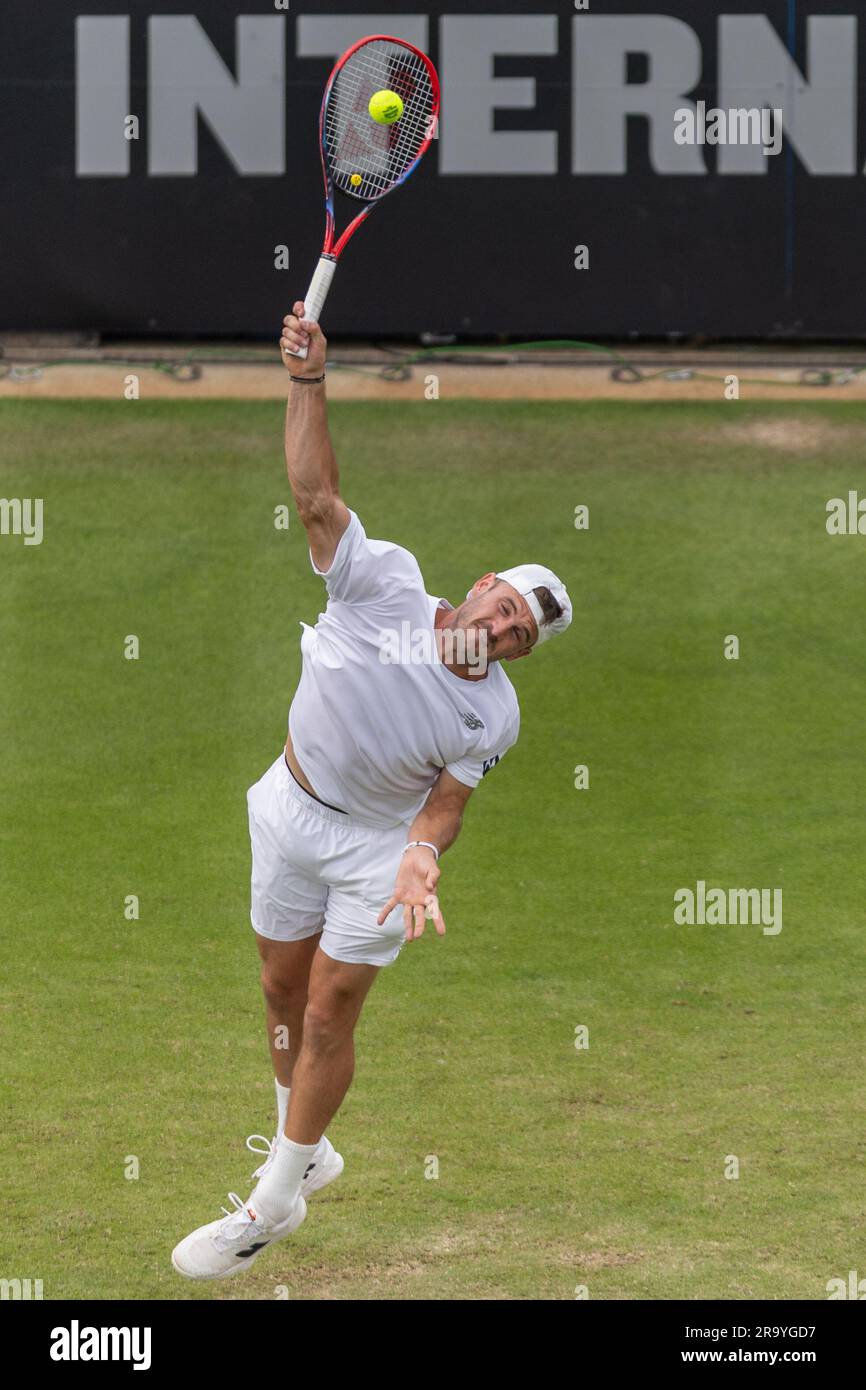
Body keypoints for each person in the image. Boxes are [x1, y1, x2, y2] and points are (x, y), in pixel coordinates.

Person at [171, 303, 572, 1279]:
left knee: (324, 1009)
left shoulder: (493, 717)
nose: (508, 631)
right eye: (509, 607)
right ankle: (310, 1145)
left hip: (375, 855)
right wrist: (307, 378)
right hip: (288, 806)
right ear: (479, 586)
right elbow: (314, 495)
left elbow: (446, 800)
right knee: (275, 985)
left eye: (523, 635)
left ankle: (274, 1200)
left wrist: (423, 854)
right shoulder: (384, 582)